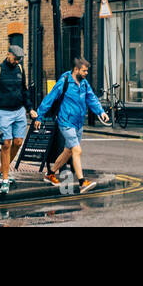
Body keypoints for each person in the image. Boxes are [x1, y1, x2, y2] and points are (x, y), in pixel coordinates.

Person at [34, 57, 108, 194]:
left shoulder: (84, 83)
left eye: (87, 71)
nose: (86, 73)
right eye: (84, 71)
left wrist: (101, 112)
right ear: (76, 70)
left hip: (78, 123)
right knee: (77, 150)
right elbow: (49, 99)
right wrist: (39, 116)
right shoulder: (64, 82)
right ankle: (82, 182)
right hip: (66, 122)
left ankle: (50, 174)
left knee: (68, 151)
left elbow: (91, 98)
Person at [0, 45, 36, 195]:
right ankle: (5, 180)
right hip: (3, 112)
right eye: (15, 58)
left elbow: (24, 91)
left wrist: (30, 108)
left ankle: (1, 171)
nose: (17, 61)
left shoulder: (20, 69)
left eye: (19, 59)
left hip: (19, 111)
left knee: (18, 143)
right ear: (8, 54)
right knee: (6, 144)